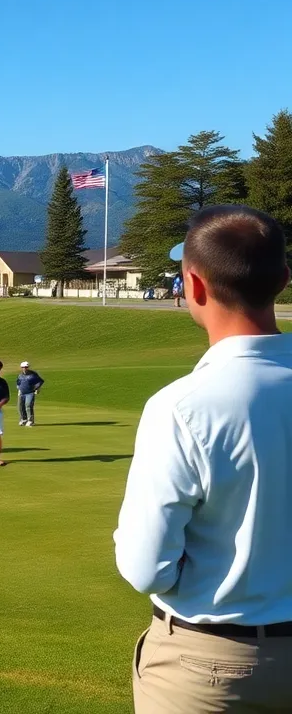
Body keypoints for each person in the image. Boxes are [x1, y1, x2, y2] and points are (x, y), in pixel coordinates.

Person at [115, 205, 292, 713]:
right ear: (282, 279)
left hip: (212, 667)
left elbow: (147, 568)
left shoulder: (182, 406)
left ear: (193, 286)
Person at [16, 361, 44, 426]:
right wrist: (19, 389)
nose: (24, 368)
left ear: (28, 367)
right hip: (22, 393)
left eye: (26, 367)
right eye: (23, 367)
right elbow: (18, 383)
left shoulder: (33, 374)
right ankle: (23, 419)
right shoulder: (20, 375)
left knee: (28, 405)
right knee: (21, 406)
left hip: (30, 393)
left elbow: (40, 381)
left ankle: (31, 421)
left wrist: (37, 388)